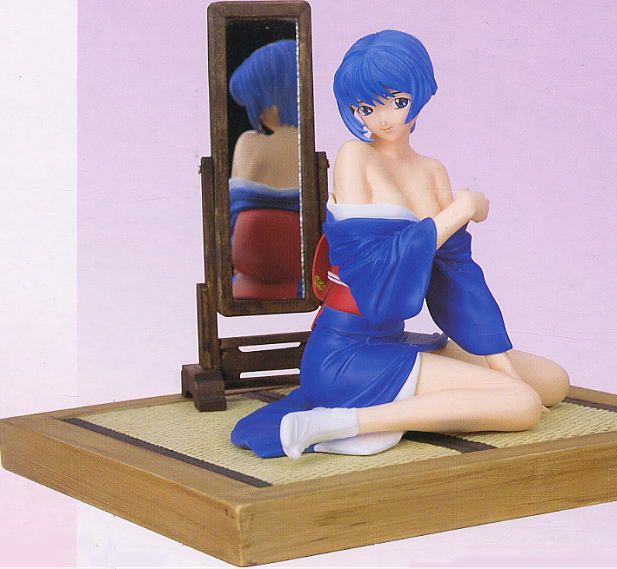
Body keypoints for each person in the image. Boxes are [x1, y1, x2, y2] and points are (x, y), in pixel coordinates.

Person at [231, 30, 569, 459]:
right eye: (366, 108)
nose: (384, 119)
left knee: (550, 383)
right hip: (345, 353)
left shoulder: (432, 171)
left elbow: (457, 281)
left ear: (419, 92)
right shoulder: (354, 156)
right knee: (522, 405)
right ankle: (333, 424)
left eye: (397, 101)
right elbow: (373, 273)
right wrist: (462, 210)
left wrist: (503, 370)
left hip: (395, 341)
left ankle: (441, 401)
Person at [228, 39, 302, 298]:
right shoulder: (310, 145)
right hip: (297, 277)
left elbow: (231, 217)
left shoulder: (248, 143)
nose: (258, 114)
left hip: (251, 276)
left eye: (258, 102)